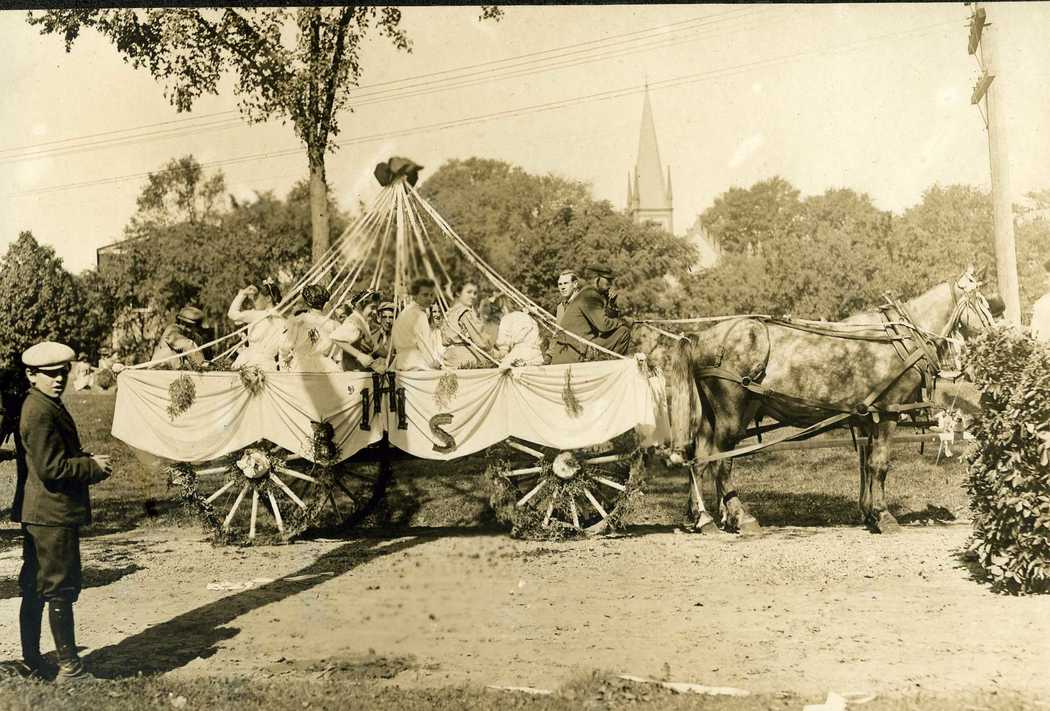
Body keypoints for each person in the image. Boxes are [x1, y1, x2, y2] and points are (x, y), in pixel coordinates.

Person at [13, 341, 112, 682]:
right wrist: (92, 467)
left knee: (37, 586)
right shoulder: (39, 410)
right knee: (58, 587)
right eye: (50, 374)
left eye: (63, 372)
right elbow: (52, 468)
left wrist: (81, 454)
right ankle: (70, 669)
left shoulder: (42, 403)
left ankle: (31, 663)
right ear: (31, 374)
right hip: (51, 514)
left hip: (40, 512)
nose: (59, 379)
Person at [548, 264, 632, 364]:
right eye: (607, 281)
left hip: (574, 351)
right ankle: (611, 368)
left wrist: (611, 306)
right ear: (597, 279)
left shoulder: (586, 294)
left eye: (611, 281)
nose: (610, 285)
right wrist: (623, 321)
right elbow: (604, 326)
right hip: (575, 353)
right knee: (624, 332)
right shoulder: (590, 295)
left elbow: (603, 324)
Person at [280, 284, 341, 373]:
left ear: (307, 302)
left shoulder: (297, 320)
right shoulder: (334, 325)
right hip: (325, 367)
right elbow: (336, 354)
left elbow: (285, 346)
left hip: (300, 367)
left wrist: (286, 358)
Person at [228, 279, 285, 371]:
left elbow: (232, 314)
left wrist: (242, 294)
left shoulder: (257, 315)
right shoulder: (283, 319)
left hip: (248, 362)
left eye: (256, 297)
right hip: (268, 366)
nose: (254, 301)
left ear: (268, 298)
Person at [391, 278, 443, 370]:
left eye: (431, 295)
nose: (429, 298)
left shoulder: (404, 312)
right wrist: (434, 362)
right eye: (425, 295)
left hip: (401, 363)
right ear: (414, 296)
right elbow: (425, 343)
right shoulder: (420, 315)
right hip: (417, 364)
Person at [441, 282, 494, 368]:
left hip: (449, 358)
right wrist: (492, 350)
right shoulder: (465, 312)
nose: (473, 296)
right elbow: (481, 340)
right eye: (469, 292)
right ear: (458, 293)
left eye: (475, 293)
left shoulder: (449, 313)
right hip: (464, 358)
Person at [331, 289, 384, 372]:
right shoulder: (354, 321)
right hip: (352, 372)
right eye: (372, 307)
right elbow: (336, 338)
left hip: (359, 371)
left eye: (376, 308)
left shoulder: (362, 321)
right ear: (362, 305)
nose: (375, 312)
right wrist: (359, 355)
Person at [494, 294, 545, 367]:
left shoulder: (507, 319)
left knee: (502, 370)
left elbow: (503, 345)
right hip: (536, 356)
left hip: (520, 355)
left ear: (503, 308)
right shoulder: (528, 317)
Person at [1030, 261, 1050, 342]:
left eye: (1047, 277)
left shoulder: (1042, 303)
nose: (1045, 282)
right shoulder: (1042, 303)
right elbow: (1035, 335)